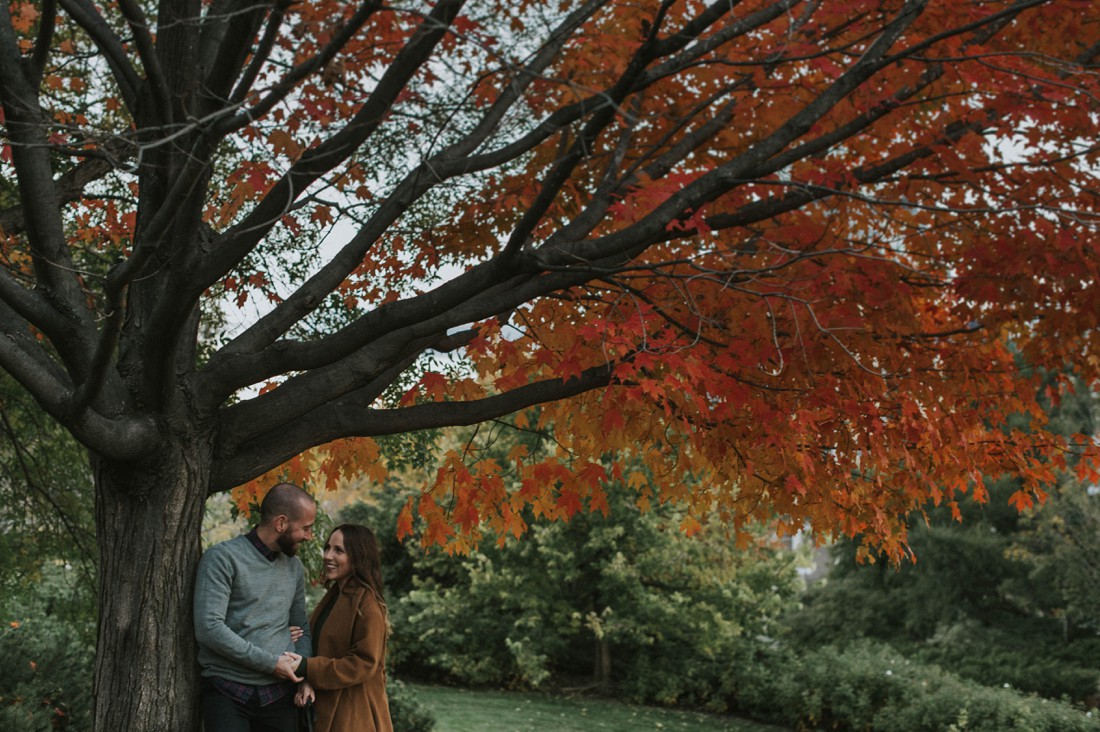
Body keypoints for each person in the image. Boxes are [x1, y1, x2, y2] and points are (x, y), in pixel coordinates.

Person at [194, 482, 316, 732]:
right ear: (281, 523)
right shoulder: (222, 559)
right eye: (305, 528)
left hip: (280, 696)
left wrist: (303, 671)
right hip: (228, 692)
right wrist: (272, 663)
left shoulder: (294, 568)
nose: (309, 536)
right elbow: (209, 628)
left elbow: (301, 627)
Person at [290, 524, 393, 732]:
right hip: (328, 706)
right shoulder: (336, 595)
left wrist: (307, 668)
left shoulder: (367, 604)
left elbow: (363, 663)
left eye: (339, 550)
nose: (328, 555)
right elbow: (322, 644)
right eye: (327, 548)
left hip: (354, 714)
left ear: (358, 556)